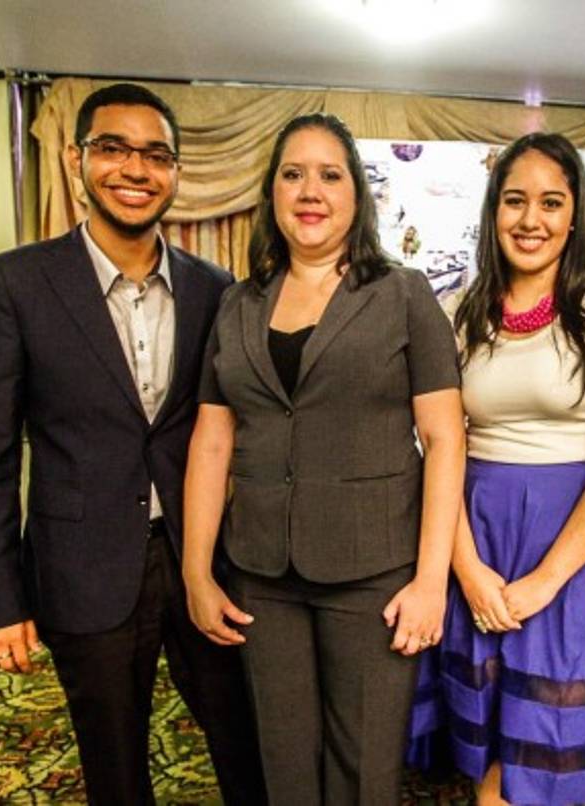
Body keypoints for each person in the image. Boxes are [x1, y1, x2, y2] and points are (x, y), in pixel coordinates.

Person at [0, 83, 265, 805]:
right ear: (77, 160)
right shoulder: (17, 283)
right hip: (82, 567)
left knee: (246, 746)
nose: (136, 170)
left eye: (156, 155)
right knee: (115, 765)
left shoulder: (215, 290)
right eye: (114, 149)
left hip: (205, 560)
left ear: (175, 174)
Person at [182, 113, 465, 805]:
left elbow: (447, 438)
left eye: (330, 174)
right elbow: (212, 439)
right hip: (261, 575)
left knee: (363, 769)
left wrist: (432, 581)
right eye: (293, 173)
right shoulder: (236, 304)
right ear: (272, 193)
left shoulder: (402, 295)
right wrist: (196, 571)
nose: (311, 190)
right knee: (283, 765)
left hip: (373, 573)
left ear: (356, 196)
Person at [432, 132, 585, 805]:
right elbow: (438, 451)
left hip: (575, 558)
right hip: (477, 541)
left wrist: (542, 583)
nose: (531, 220)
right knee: (495, 748)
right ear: (492, 211)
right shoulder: (458, 314)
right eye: (515, 201)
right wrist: (469, 571)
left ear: (575, 214)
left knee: (543, 758)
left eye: (551, 203)